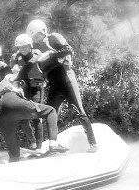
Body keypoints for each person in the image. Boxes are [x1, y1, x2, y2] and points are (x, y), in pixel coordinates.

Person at [26, 19, 98, 153]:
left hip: (67, 80)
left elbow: (68, 49)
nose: (35, 39)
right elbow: (42, 69)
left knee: (78, 111)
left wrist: (50, 55)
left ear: (42, 31)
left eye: (36, 35)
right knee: (50, 113)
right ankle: (54, 146)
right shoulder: (36, 50)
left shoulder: (53, 38)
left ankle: (93, 143)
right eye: (33, 37)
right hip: (54, 85)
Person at [0, 72, 69, 163]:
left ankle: (13, 160)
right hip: (11, 102)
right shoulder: (9, 80)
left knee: (14, 155)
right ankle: (53, 146)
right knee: (51, 111)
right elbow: (12, 78)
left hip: (0, 116)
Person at [10, 34, 45, 150]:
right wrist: (14, 68)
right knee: (24, 119)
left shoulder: (36, 52)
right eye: (20, 47)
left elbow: (33, 61)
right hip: (24, 88)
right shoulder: (15, 57)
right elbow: (13, 70)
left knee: (36, 116)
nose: (22, 49)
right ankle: (33, 143)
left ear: (30, 45)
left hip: (36, 87)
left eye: (25, 47)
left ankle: (39, 146)